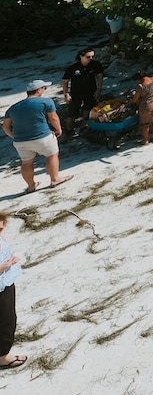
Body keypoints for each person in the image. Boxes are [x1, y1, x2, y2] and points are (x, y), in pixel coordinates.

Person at [2, 81, 72, 194]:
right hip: (42, 136)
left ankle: (31, 186)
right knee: (52, 155)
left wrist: (14, 136)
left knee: (26, 162)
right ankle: (55, 179)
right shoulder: (46, 101)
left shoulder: (13, 108)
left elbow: (5, 126)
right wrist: (58, 129)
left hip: (21, 141)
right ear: (39, 90)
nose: (44, 90)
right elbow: (53, 117)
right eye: (44, 88)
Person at [0, 212, 26, 370]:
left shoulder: (1, 237)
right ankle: (2, 357)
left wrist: (11, 259)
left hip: (6, 281)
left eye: (1, 228)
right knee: (6, 321)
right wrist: (3, 266)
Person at [61, 48, 105, 139]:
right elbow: (65, 81)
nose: (90, 58)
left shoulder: (95, 64)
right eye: (88, 57)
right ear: (81, 56)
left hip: (91, 91)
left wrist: (99, 88)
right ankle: (68, 130)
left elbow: (100, 75)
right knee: (72, 112)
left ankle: (84, 128)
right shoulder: (73, 68)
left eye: (92, 56)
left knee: (88, 110)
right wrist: (66, 94)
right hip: (76, 92)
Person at [132, 69, 153, 145]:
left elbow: (135, 100)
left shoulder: (141, 87)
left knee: (145, 124)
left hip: (147, 106)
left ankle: (145, 140)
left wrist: (132, 103)